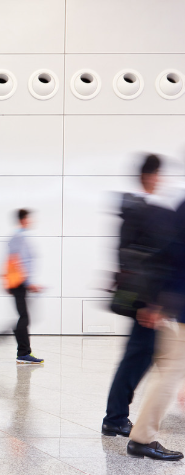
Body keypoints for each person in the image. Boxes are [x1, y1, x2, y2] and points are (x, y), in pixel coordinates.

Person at [102, 154, 174, 438]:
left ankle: (119, 415)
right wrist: (149, 303)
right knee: (138, 357)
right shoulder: (140, 210)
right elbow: (140, 258)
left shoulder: (133, 209)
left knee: (145, 356)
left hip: (142, 298)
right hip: (144, 301)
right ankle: (116, 417)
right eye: (158, 175)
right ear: (151, 176)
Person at [126, 187, 185, 460]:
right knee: (171, 372)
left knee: (171, 371)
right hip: (179, 306)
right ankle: (142, 438)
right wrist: (159, 303)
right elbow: (174, 253)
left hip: (174, 303)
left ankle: (142, 437)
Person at [8, 209, 44, 364]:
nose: (30, 221)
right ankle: (23, 353)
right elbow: (20, 262)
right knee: (24, 317)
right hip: (19, 282)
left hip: (18, 282)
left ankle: (23, 351)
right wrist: (29, 283)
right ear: (23, 220)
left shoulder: (18, 237)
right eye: (28, 219)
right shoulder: (19, 238)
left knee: (24, 317)